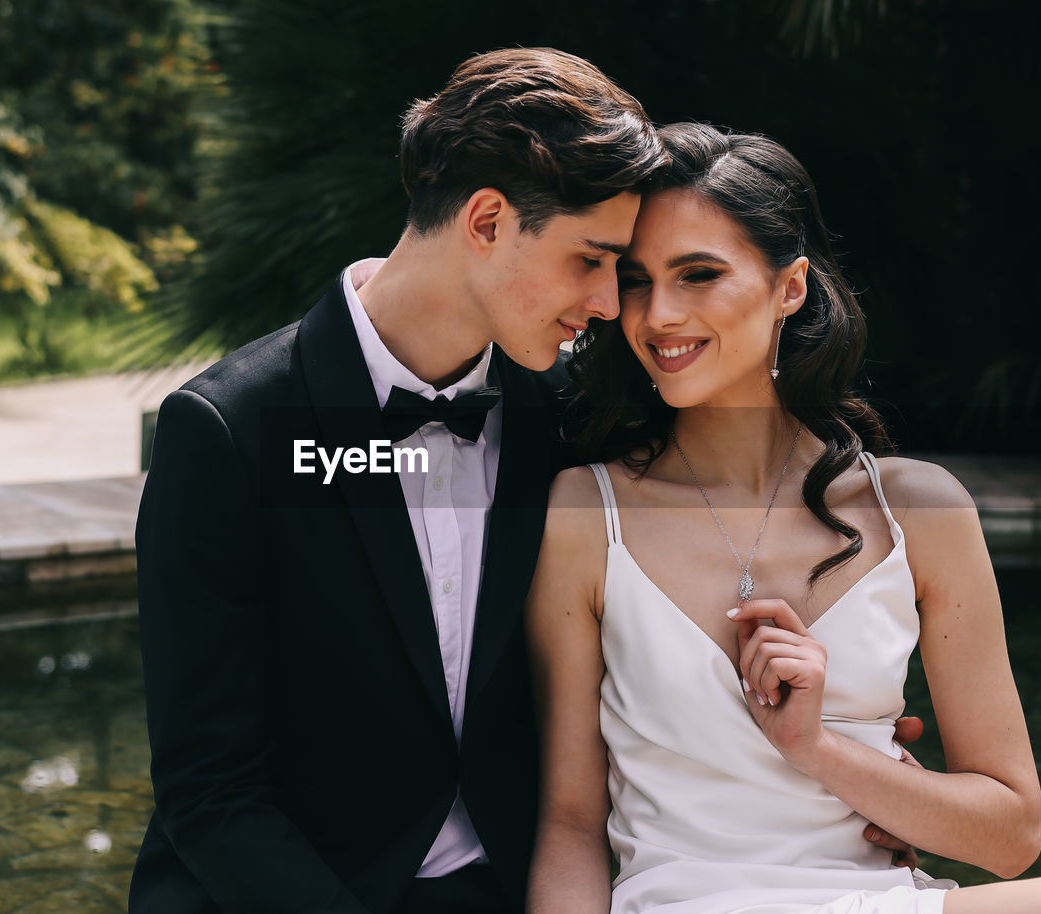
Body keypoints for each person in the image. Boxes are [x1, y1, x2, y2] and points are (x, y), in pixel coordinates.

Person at [127, 47, 665, 914]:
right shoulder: (228, 432)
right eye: (589, 259)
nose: (608, 302)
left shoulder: (565, 417)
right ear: (487, 221)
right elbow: (210, 789)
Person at [525, 122, 1041, 913]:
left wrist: (818, 749)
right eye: (636, 280)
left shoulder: (920, 511)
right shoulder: (587, 513)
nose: (658, 315)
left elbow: (1011, 837)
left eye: (698, 275)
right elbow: (570, 825)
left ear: (789, 288)